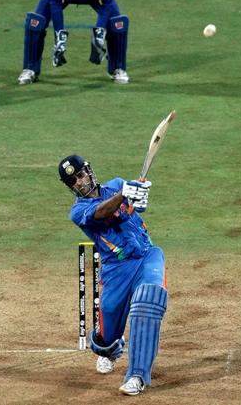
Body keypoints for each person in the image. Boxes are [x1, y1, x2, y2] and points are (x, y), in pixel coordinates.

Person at [58, 155, 168, 396]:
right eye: (73, 181)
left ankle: (137, 375)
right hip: (116, 270)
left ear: (89, 171)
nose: (80, 181)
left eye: (81, 174)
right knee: (106, 338)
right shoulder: (79, 211)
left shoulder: (118, 184)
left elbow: (137, 207)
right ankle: (107, 350)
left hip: (146, 256)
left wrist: (138, 194)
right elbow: (103, 211)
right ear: (70, 187)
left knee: (148, 302)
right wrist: (125, 194)